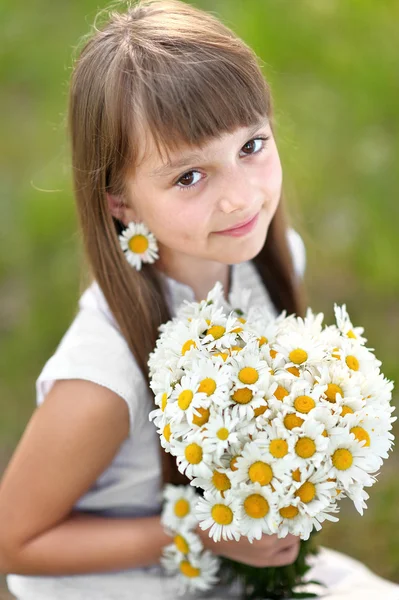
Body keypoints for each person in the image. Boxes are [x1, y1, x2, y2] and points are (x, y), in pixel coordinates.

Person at [0, 1, 398, 598]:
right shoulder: (105, 373)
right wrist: (206, 532)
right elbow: (15, 538)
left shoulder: (271, 258)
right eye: (189, 177)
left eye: (251, 146)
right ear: (120, 203)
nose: (240, 200)